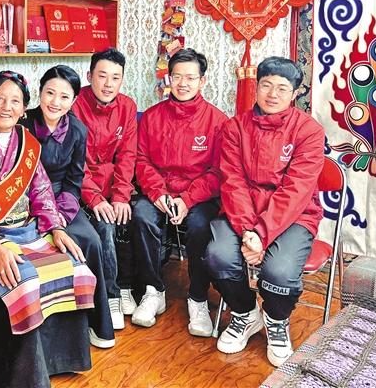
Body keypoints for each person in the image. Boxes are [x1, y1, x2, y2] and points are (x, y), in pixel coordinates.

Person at [0, 70, 96, 388]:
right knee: (22, 281)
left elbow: (41, 190)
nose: (6, 107)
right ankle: (25, 378)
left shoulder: (27, 143)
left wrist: (56, 229)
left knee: (75, 265)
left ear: (24, 108)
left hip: (28, 229)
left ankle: (56, 362)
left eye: (15, 101)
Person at [205, 56, 325, 367]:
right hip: (240, 213)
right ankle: (245, 313)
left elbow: (297, 190)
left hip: (293, 215)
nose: (272, 94)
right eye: (266, 85)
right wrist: (248, 230)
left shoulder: (309, 131)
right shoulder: (234, 127)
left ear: (295, 93)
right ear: (256, 87)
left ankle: (276, 319)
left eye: (282, 88)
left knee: (280, 271)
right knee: (218, 255)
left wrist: (261, 233)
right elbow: (232, 182)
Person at [131, 48, 227, 334]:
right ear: (168, 79)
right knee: (141, 215)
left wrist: (187, 200)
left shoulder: (218, 121)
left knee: (200, 225)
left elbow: (218, 172)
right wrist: (157, 193)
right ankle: (153, 290)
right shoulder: (152, 117)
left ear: (202, 81)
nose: (183, 83)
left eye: (190, 78)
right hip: (159, 192)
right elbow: (141, 160)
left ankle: (197, 297)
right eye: (177, 77)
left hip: (198, 196)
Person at [22, 65, 115, 349]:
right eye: (49, 93)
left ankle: (98, 323)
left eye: (64, 97)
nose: (55, 102)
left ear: (74, 100)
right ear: (40, 93)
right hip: (24, 201)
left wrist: (59, 218)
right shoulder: (22, 125)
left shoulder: (77, 130)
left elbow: (74, 181)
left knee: (90, 240)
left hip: (62, 200)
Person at [71, 48, 138, 330]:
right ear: (89, 76)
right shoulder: (75, 105)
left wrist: (121, 195)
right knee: (106, 225)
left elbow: (128, 154)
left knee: (134, 215)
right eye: (102, 76)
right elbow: (75, 162)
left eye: (115, 77)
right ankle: (110, 295)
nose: (108, 84)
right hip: (83, 188)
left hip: (114, 185)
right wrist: (95, 198)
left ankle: (127, 287)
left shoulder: (127, 106)